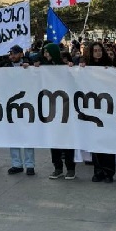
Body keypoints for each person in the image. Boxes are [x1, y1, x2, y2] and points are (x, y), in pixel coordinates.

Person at [79, 42, 116, 183]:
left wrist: (111, 71)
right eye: (95, 51)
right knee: (95, 141)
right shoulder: (85, 66)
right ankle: (98, 171)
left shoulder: (109, 64)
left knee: (108, 140)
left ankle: (109, 172)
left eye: (100, 50)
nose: (98, 53)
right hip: (92, 107)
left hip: (107, 107)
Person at [40, 43, 77, 180]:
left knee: (67, 140)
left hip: (66, 108)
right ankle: (57, 168)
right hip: (51, 108)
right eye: (44, 53)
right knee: (53, 140)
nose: (45, 55)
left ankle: (70, 168)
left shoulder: (65, 67)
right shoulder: (43, 67)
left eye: (48, 53)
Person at [0, 44, 35, 176]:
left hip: (27, 105)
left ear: (21, 54)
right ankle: (16, 164)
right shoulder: (6, 66)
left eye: (14, 54)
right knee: (13, 135)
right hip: (11, 105)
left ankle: (30, 164)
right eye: (10, 54)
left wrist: (30, 67)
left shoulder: (29, 64)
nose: (12, 56)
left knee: (28, 135)